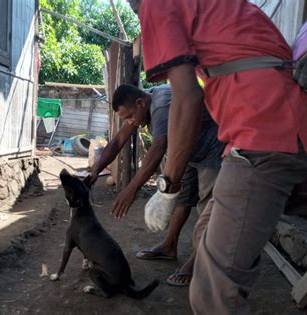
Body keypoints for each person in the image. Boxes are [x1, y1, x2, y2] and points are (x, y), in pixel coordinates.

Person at [129, 0, 307, 314]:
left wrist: (168, 187)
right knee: (210, 245)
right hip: (280, 130)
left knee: (211, 296)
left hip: (262, 135)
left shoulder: (158, 4)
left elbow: (187, 96)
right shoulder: (219, 5)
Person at [87, 83, 224, 286]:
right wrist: (96, 170)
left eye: (130, 116)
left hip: (212, 149)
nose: (130, 122)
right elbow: (117, 142)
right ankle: (169, 247)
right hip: (188, 152)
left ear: (140, 103)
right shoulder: (143, 103)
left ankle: (197, 262)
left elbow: (159, 147)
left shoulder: (160, 106)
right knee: (182, 199)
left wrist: (131, 189)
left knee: (208, 211)